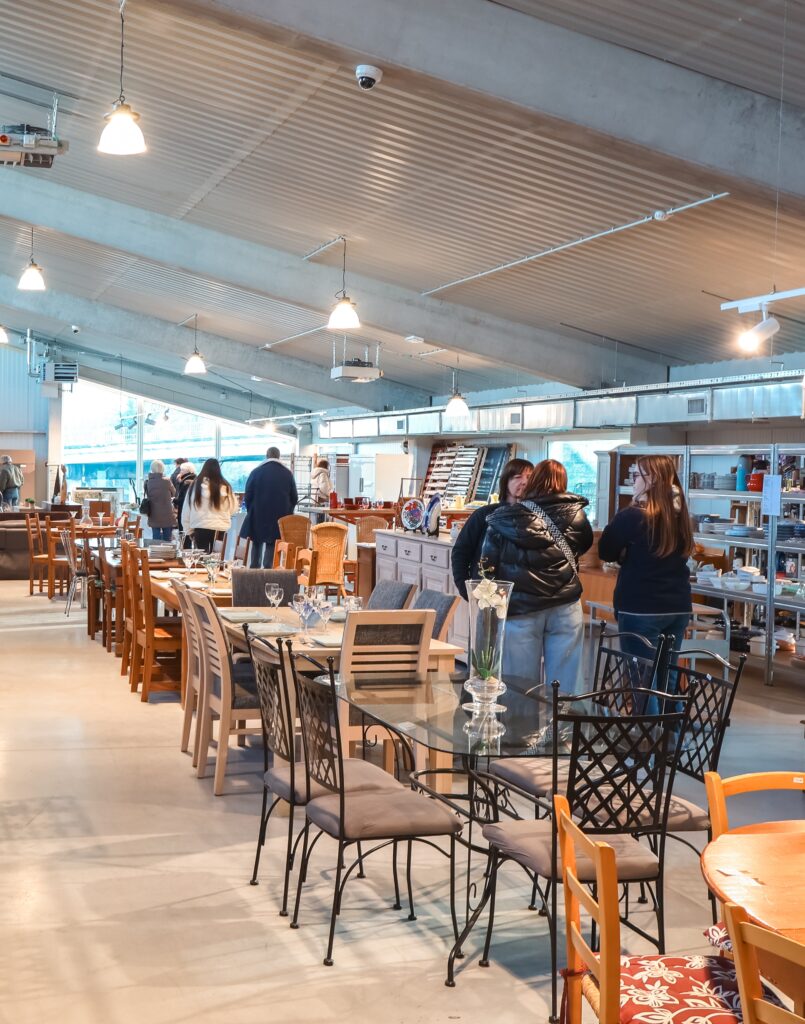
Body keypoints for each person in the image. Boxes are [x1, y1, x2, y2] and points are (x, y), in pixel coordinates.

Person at [481, 459, 593, 692]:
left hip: (521, 608)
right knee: (567, 686)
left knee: (520, 686)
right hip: (566, 606)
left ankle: (522, 718)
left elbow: (488, 567)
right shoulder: (578, 516)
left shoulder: (505, 518)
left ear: (534, 481)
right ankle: (564, 718)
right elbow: (583, 546)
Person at [598, 454, 693, 709]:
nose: (633, 481)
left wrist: (625, 553)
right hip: (678, 606)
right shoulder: (680, 516)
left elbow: (606, 550)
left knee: (643, 680)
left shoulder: (632, 516)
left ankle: (647, 732)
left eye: (637, 476)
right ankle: (669, 731)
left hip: (640, 606)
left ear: (652, 480)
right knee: (667, 679)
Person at [451, 458, 533, 599]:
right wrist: (466, 590)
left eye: (529, 477)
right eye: (518, 477)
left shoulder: (535, 518)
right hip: (487, 597)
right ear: (506, 482)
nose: (525, 482)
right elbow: (460, 552)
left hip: (524, 600)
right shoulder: (484, 515)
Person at [242, 446, 298, 567]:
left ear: (266, 456)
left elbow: (248, 495)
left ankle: (254, 572)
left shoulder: (256, 472)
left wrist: (252, 510)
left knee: (256, 543)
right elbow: (294, 498)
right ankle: (268, 572)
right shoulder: (287, 474)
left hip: (258, 515)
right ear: (279, 456)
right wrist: (287, 513)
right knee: (272, 545)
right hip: (278, 517)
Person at [181, 458, 238, 553]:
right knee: (217, 558)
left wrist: (189, 531)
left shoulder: (195, 486)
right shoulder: (225, 487)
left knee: (201, 558)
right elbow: (233, 508)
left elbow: (186, 509)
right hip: (220, 528)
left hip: (200, 527)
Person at [144, 460, 176, 541]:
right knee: (167, 539)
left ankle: (156, 549)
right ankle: (167, 549)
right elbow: (174, 493)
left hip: (153, 513)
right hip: (167, 513)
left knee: (156, 539)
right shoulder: (167, 481)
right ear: (162, 468)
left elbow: (148, 495)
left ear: (152, 469)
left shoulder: (148, 482)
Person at [173, 462, 197, 538]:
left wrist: (174, 500)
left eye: (182, 470)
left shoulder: (186, 482)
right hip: (193, 512)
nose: (180, 472)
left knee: (184, 534)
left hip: (185, 511)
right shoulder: (195, 479)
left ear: (187, 471)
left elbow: (183, 499)